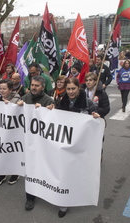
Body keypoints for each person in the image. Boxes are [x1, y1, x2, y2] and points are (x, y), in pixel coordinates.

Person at [53, 77, 100, 218]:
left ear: (79, 88)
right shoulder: (62, 101)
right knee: (65, 171)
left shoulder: (87, 102)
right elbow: (55, 119)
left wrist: (97, 117)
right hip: (65, 143)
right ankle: (65, 201)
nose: (71, 92)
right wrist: (50, 111)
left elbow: (99, 123)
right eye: (68, 89)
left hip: (81, 145)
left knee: (78, 172)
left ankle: (78, 194)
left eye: (73, 88)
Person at [17, 76, 54, 213]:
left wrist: (46, 109)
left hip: (41, 143)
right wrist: (17, 106)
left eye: (37, 85)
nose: (34, 87)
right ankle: (30, 197)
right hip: (27, 141)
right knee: (30, 170)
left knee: (42, 168)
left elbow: (52, 119)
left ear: (43, 87)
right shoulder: (26, 97)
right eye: (32, 85)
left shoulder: (48, 100)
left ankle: (45, 190)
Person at [0, 79, 21, 187]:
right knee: (0, 151)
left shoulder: (16, 98)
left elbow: (18, 112)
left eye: (4, 89)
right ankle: (2, 173)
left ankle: (15, 173)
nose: (1, 91)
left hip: (12, 131)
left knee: (12, 151)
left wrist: (10, 106)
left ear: (10, 89)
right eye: (0, 88)